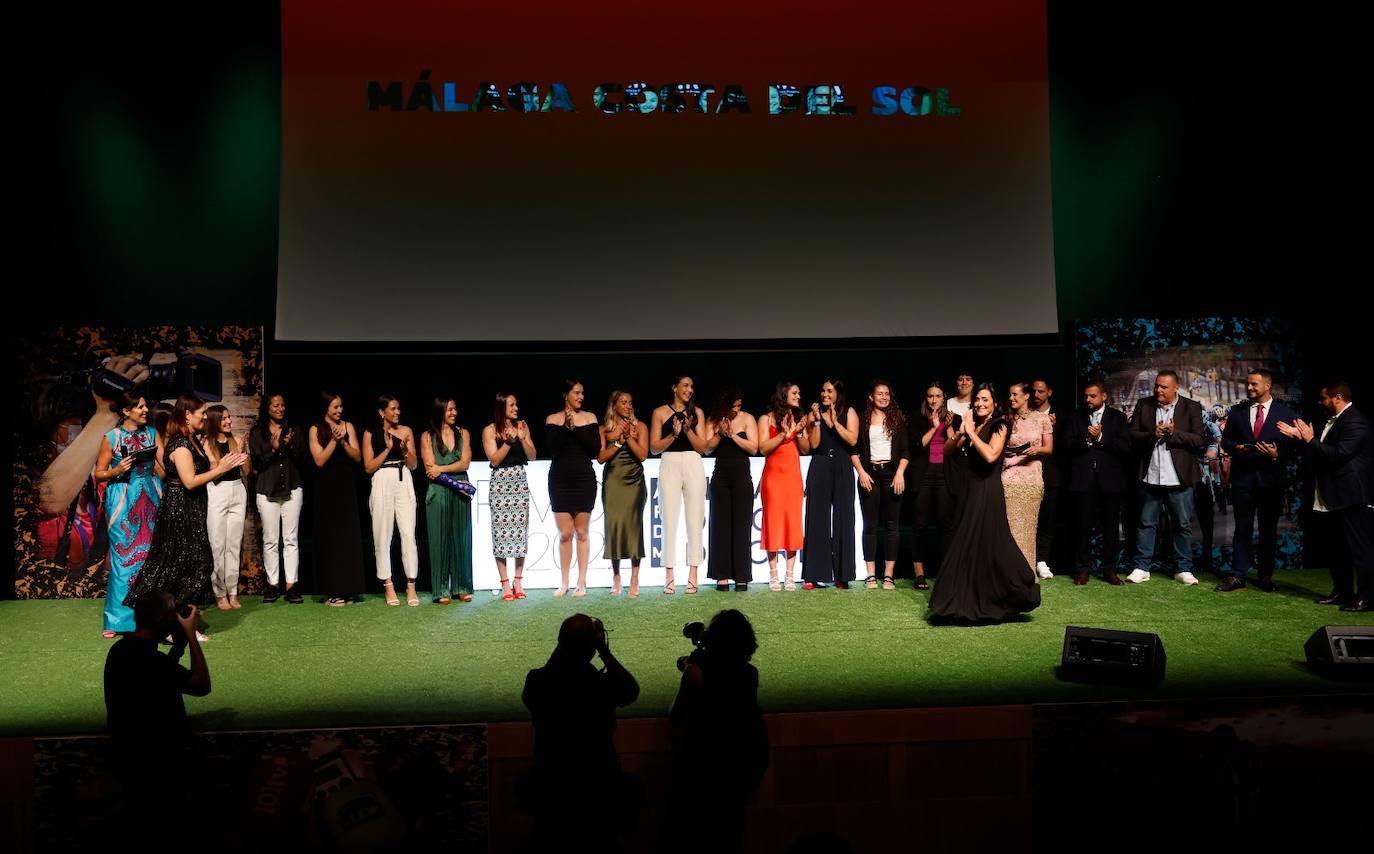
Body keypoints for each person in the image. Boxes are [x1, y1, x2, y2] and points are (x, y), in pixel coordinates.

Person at [124, 394, 246, 638]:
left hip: (192, 508)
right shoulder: (180, 444)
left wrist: (227, 465)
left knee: (190, 565)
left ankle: (176, 622)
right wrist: (221, 469)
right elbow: (189, 482)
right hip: (181, 510)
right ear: (187, 415)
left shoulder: (192, 441)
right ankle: (174, 623)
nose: (205, 416)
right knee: (194, 564)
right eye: (201, 412)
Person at [521, 614, 640, 847]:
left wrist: (568, 642)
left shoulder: (538, 681)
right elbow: (630, 691)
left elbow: (547, 675)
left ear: (560, 643)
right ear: (590, 648)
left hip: (553, 788)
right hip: (599, 788)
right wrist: (602, 649)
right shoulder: (599, 685)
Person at [926, 384, 1041, 622]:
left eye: (985, 399)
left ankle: (1020, 589)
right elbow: (946, 451)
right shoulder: (971, 425)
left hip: (987, 491)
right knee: (974, 547)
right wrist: (961, 432)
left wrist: (972, 432)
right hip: (969, 490)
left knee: (990, 545)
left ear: (995, 404)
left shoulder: (1000, 425)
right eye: (977, 399)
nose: (979, 403)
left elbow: (990, 455)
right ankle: (967, 600)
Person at [103, 591, 211, 828]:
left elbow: (158, 679)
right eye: (173, 612)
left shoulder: (119, 651)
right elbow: (201, 685)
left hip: (125, 750)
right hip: (158, 761)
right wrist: (191, 636)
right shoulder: (153, 662)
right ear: (163, 619)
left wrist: (177, 649)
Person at [669, 609, 770, 854]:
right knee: (731, 835)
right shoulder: (749, 674)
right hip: (738, 767)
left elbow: (676, 715)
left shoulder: (697, 672)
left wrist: (691, 669)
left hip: (705, 768)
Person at [1278, 381, 1374, 611]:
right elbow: (1320, 452)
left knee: (1360, 549)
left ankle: (1367, 597)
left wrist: (1310, 440)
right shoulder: (1331, 421)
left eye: (1323, 398)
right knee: (1336, 547)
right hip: (1331, 494)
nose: (1320, 403)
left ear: (1337, 397)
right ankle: (1342, 591)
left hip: (1352, 496)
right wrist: (1302, 439)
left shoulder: (1356, 422)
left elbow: (1339, 455)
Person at [1215, 369, 1299, 592]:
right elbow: (1226, 441)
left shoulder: (1286, 413)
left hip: (1271, 481)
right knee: (1241, 529)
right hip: (1243, 481)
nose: (1249, 388)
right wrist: (1237, 448)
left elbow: (1296, 448)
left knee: (1268, 530)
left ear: (1267, 385)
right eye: (1248, 384)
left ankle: (1265, 576)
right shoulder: (1237, 412)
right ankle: (1238, 575)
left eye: (1254, 384)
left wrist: (1276, 454)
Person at [93, 391, 164, 637]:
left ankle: (153, 617)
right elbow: (98, 473)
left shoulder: (152, 433)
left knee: (151, 559)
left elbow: (164, 469)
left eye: (146, 406)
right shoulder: (111, 437)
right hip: (123, 499)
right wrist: (116, 470)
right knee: (124, 557)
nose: (145, 410)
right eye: (140, 407)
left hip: (151, 495)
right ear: (126, 411)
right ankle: (117, 620)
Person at [1126, 370, 1205, 586]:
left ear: (1175, 387)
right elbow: (1132, 435)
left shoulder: (1191, 407)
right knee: (1146, 524)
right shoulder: (1145, 405)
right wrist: (1153, 434)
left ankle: (1183, 568)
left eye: (1163, 387)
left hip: (1179, 479)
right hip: (1150, 477)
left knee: (1181, 524)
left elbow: (1199, 439)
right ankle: (1142, 567)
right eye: (1157, 386)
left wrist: (1173, 433)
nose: (1158, 390)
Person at [1061, 380, 1131, 585]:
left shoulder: (1118, 418)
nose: (1087, 400)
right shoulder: (1076, 417)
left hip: (1110, 482)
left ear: (1103, 396)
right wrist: (1087, 441)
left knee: (1110, 528)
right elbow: (1066, 444)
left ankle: (1110, 570)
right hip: (1082, 480)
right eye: (1085, 396)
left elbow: (1125, 447)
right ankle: (1083, 569)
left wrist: (1100, 437)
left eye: (1092, 396)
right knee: (1081, 528)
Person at [651, 376, 710, 594]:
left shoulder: (698, 413)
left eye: (692, 386)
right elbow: (654, 448)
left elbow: (702, 447)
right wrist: (673, 435)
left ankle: (693, 573)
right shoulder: (659, 412)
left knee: (695, 520)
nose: (689, 390)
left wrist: (686, 431)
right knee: (668, 519)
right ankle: (669, 574)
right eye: (685, 385)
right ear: (674, 387)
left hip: (693, 462)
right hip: (669, 463)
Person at [546, 380, 604, 597]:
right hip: (560, 480)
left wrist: (574, 429)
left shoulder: (590, 417)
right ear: (566, 395)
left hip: (583, 480)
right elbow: (552, 449)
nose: (581, 397)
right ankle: (564, 582)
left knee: (581, 532)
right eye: (577, 393)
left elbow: (594, 448)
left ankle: (582, 581)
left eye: (582, 393)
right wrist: (564, 428)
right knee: (565, 533)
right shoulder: (553, 419)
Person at [309, 392, 366, 606]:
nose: (339, 410)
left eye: (341, 406)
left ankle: (348, 588)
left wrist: (343, 442)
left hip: (345, 485)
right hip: (326, 486)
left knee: (346, 537)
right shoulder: (315, 429)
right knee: (329, 537)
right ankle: (331, 590)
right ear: (326, 408)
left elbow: (358, 456)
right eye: (335, 407)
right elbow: (319, 460)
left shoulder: (348, 426)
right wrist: (334, 440)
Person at [248, 393, 306, 604]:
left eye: (282, 405)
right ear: (267, 408)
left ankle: (291, 584)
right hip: (267, 490)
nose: (280, 408)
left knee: (290, 539)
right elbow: (258, 463)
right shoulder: (257, 433)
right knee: (270, 540)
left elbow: (302, 458)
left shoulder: (294, 430)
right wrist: (273, 449)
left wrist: (288, 445)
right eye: (275, 405)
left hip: (292, 488)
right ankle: (273, 584)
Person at [362, 395, 421, 605]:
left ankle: (411, 585)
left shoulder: (406, 431)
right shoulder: (371, 433)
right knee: (383, 534)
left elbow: (414, 465)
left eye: (398, 409)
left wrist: (404, 450)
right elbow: (368, 467)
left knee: (408, 533)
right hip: (382, 479)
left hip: (403, 477)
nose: (397, 412)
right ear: (382, 412)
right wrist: (387, 448)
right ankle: (388, 585)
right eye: (393, 409)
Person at [851, 380, 909, 590]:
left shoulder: (897, 419)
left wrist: (900, 473)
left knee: (892, 526)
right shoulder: (863, 419)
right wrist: (862, 473)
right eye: (880, 394)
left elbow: (905, 451)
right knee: (870, 526)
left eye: (887, 393)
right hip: (870, 475)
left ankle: (889, 576)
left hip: (892, 475)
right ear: (871, 397)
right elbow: (854, 450)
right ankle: (870, 575)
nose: (884, 397)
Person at [802, 379, 859, 589]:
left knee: (844, 518)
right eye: (823, 390)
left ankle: (842, 575)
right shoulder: (813, 414)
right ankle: (814, 574)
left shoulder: (849, 412)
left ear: (838, 393)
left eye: (830, 391)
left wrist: (834, 422)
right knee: (817, 517)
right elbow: (813, 445)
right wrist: (817, 422)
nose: (825, 394)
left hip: (842, 464)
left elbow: (853, 440)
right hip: (820, 463)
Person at [482, 393, 537, 600]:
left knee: (520, 532)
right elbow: (494, 460)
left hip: (519, 480)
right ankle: (505, 583)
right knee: (501, 534)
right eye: (511, 405)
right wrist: (507, 442)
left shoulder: (522, 425)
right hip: (500, 483)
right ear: (501, 407)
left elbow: (532, 456)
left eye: (516, 404)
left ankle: (518, 580)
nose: (516, 408)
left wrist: (522, 439)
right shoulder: (489, 430)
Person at [758, 382, 812, 591]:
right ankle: (773, 574)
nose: (799, 396)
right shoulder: (766, 418)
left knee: (792, 522)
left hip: (792, 477)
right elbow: (763, 448)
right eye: (795, 393)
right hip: (773, 477)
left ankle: (790, 575)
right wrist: (783, 434)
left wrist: (798, 432)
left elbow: (806, 449)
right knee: (772, 521)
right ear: (784, 395)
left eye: (799, 393)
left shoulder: (799, 419)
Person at [707, 387, 759, 592]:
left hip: (741, 473)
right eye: (733, 406)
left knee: (741, 525)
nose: (736, 409)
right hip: (720, 473)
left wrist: (733, 436)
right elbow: (706, 448)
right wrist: (721, 433)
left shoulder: (747, 419)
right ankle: (721, 576)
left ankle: (741, 576)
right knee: (720, 525)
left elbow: (754, 448)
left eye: (739, 405)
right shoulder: (714, 419)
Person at [422, 397, 473, 606]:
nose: (454, 412)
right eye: (450, 409)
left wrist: (441, 469)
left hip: (460, 488)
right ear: (440, 411)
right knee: (439, 540)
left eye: (455, 408)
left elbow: (465, 463)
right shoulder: (427, 436)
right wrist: (440, 470)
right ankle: (440, 589)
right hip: (438, 491)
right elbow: (428, 467)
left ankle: (462, 586)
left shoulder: (464, 433)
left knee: (462, 539)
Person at [598, 390, 649, 597]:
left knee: (634, 527)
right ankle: (616, 576)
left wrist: (628, 438)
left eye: (630, 402)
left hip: (634, 482)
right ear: (614, 406)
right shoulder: (604, 430)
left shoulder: (641, 427)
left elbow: (643, 455)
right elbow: (601, 457)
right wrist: (618, 440)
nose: (628, 406)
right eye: (623, 402)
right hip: (613, 482)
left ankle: (635, 578)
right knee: (614, 527)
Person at [203, 404, 251, 610]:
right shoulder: (207, 443)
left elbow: (247, 471)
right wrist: (228, 462)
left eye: (229, 417)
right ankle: (219, 593)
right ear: (214, 421)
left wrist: (242, 455)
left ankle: (232, 591)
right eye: (224, 418)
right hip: (217, 491)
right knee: (217, 545)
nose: (229, 421)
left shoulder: (237, 440)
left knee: (234, 544)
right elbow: (215, 471)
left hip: (237, 490)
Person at [1002, 382, 1054, 574]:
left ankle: (1026, 576)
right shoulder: (1006, 419)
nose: (1011, 398)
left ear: (1026, 396)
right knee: (1010, 530)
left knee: (1029, 530)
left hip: (1032, 480)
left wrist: (1037, 449)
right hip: (1009, 479)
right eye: (1009, 395)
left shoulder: (1042, 419)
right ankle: (1008, 575)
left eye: (1015, 394)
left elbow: (1049, 449)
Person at [911, 381, 957, 590]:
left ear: (944, 397)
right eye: (930, 396)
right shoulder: (918, 418)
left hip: (944, 474)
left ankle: (945, 572)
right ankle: (919, 573)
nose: (933, 400)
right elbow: (917, 445)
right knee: (920, 525)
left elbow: (955, 446)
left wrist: (946, 428)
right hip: (924, 475)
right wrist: (934, 426)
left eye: (937, 396)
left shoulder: (953, 418)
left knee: (945, 525)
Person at [1029, 378, 1060, 579]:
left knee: (1046, 522)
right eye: (1033, 391)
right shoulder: (1023, 415)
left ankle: (1042, 560)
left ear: (1049, 392)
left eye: (1041, 391)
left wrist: (1053, 429)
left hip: (1050, 477)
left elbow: (1065, 448)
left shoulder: (1060, 417)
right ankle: (1026, 560)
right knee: (1027, 521)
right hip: (1026, 476)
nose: (1036, 395)